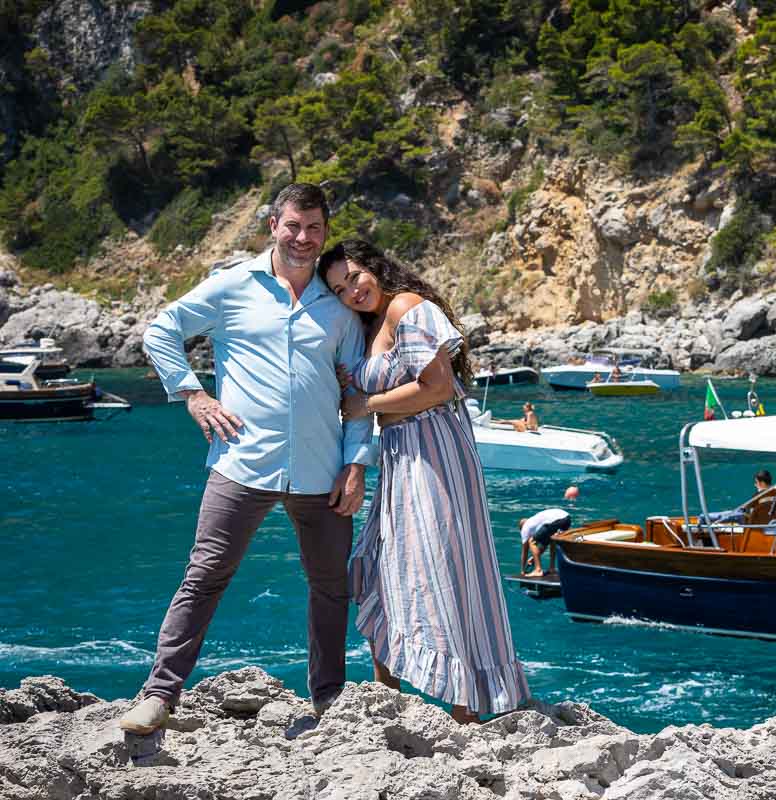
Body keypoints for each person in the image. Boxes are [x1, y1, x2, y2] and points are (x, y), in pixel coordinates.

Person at [118, 184, 372, 735]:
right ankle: (159, 695)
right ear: (272, 227)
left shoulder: (339, 308)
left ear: (324, 233)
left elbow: (356, 395)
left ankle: (327, 698)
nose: (303, 239)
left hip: (322, 468)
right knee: (204, 575)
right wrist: (193, 394)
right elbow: (162, 330)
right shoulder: (231, 285)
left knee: (331, 585)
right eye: (293, 226)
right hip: (240, 462)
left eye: (314, 229)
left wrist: (356, 464)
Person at [319, 238, 529, 724]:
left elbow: (436, 387)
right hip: (400, 455)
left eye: (354, 277)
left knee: (445, 568)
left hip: (434, 449)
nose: (351, 290)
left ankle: (468, 709)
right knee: (381, 561)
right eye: (338, 289)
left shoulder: (408, 307)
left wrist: (365, 405)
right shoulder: (370, 325)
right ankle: (387, 696)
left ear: (374, 267)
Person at [519, 508, 572, 577]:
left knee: (531, 541)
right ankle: (552, 568)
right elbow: (544, 545)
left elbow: (524, 551)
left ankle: (538, 570)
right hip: (567, 518)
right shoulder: (535, 522)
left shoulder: (525, 528)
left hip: (558, 519)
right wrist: (533, 558)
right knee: (552, 540)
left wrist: (522, 570)